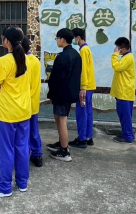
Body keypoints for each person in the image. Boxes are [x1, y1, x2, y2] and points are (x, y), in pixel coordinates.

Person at [0, 27, 31, 198]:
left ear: (6, 41)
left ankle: (4, 187)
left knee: (5, 150)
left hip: (6, 113)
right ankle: (22, 182)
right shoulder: (27, 59)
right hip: (24, 111)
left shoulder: (3, 61)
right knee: (22, 147)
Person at [46, 28, 82, 162]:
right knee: (60, 118)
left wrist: (51, 91)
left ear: (62, 39)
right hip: (69, 93)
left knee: (61, 120)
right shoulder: (76, 55)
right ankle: (62, 143)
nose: (57, 41)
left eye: (57, 38)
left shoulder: (63, 56)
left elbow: (56, 78)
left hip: (61, 93)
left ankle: (64, 150)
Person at [69, 28, 96, 149]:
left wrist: (83, 87)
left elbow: (83, 70)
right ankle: (88, 137)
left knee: (82, 113)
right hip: (89, 87)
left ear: (78, 38)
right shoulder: (86, 49)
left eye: (74, 38)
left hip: (85, 87)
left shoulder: (83, 51)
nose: (73, 41)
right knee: (88, 112)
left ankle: (82, 139)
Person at [21, 36, 43, 167]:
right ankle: (37, 154)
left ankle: (23, 155)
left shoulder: (22, 60)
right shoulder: (35, 60)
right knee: (34, 130)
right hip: (33, 101)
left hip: (22, 103)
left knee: (22, 132)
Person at [110, 37, 136, 143]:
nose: (116, 49)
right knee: (125, 115)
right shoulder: (126, 57)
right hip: (124, 91)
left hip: (124, 92)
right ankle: (127, 133)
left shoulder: (128, 57)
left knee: (125, 116)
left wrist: (115, 55)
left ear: (123, 49)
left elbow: (116, 67)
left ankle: (128, 136)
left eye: (118, 48)